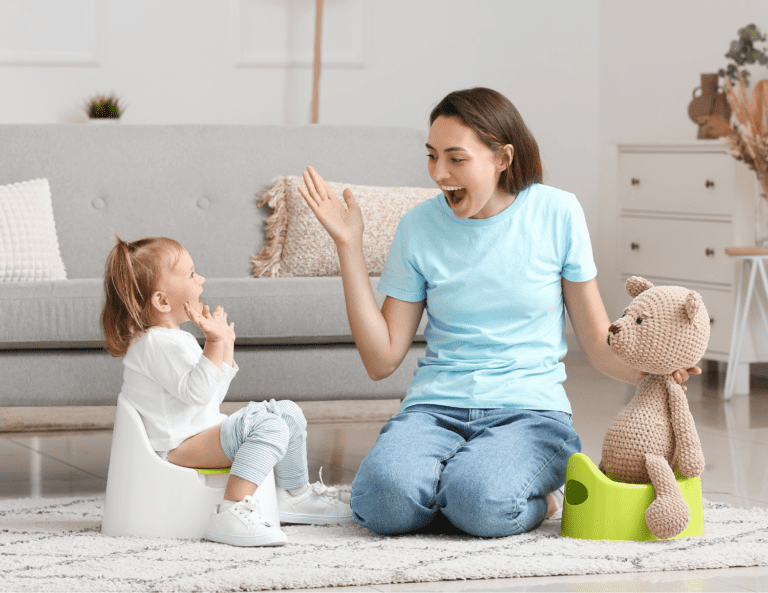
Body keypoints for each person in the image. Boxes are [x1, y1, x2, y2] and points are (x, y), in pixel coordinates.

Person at [297, 87, 699, 537]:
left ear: (502, 158)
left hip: (530, 413)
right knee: (381, 504)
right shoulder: (419, 226)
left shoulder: (557, 212)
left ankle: (540, 498)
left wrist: (656, 373)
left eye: (456, 158)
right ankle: (461, 488)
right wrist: (348, 246)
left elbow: (595, 338)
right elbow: (381, 360)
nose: (439, 173)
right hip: (434, 408)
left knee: (481, 503)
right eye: (431, 156)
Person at [100, 236, 353, 547]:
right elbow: (198, 394)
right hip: (178, 446)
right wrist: (214, 344)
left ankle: (293, 495)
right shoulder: (156, 343)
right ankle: (232, 511)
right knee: (269, 425)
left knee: (287, 413)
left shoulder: (170, 340)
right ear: (162, 301)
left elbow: (210, 396)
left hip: (196, 433)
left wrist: (225, 346)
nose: (201, 280)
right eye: (191, 275)